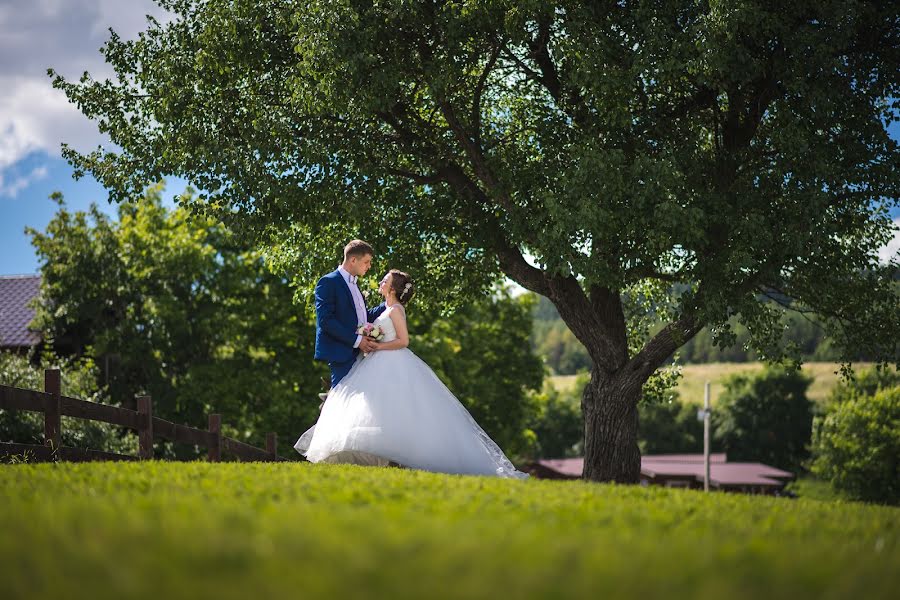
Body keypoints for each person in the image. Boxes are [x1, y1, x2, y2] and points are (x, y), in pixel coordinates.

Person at [295, 267, 529, 479]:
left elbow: (403, 341)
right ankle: (381, 459)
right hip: (377, 362)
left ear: (393, 288)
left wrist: (378, 346)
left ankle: (402, 458)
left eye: (385, 279)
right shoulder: (386, 308)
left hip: (392, 361)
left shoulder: (396, 309)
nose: (381, 280)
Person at [313, 240, 387, 389]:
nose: (369, 266)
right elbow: (325, 321)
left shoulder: (355, 285)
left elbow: (363, 318)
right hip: (342, 354)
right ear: (353, 260)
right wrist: (357, 341)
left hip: (361, 353)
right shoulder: (328, 282)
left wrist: (389, 304)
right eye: (366, 262)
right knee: (344, 402)